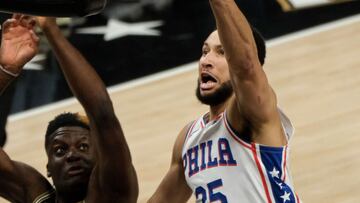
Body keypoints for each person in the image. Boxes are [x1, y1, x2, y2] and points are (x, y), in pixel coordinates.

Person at [148, 0, 301, 202]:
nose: (206, 61)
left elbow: (246, 64)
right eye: (204, 51)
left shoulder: (252, 113)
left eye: (222, 52)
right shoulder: (188, 138)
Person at [0, 14, 138, 203]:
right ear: (48, 167)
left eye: (83, 146)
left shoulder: (111, 194)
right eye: (59, 151)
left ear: (100, 158)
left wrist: (52, 31)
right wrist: (5, 71)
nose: (72, 155)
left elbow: (102, 114)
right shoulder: (35, 194)